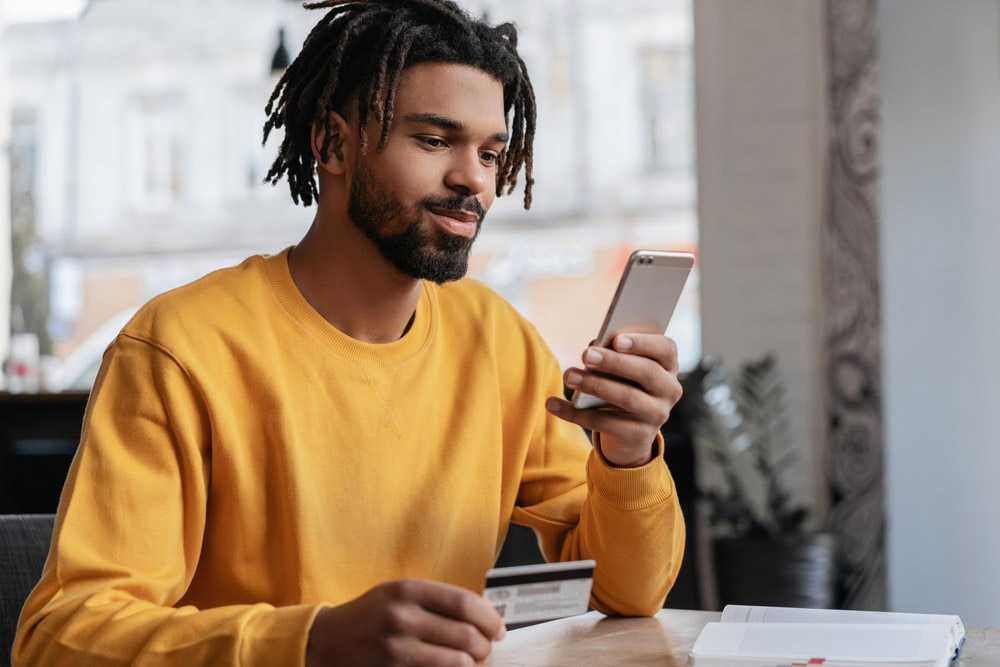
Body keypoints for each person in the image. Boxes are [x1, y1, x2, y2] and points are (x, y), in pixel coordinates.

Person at [13, 1, 686, 665]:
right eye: (433, 139)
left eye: (489, 151)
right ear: (333, 143)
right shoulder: (180, 346)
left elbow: (626, 590)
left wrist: (629, 454)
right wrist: (312, 641)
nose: (472, 179)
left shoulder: (498, 340)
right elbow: (61, 638)